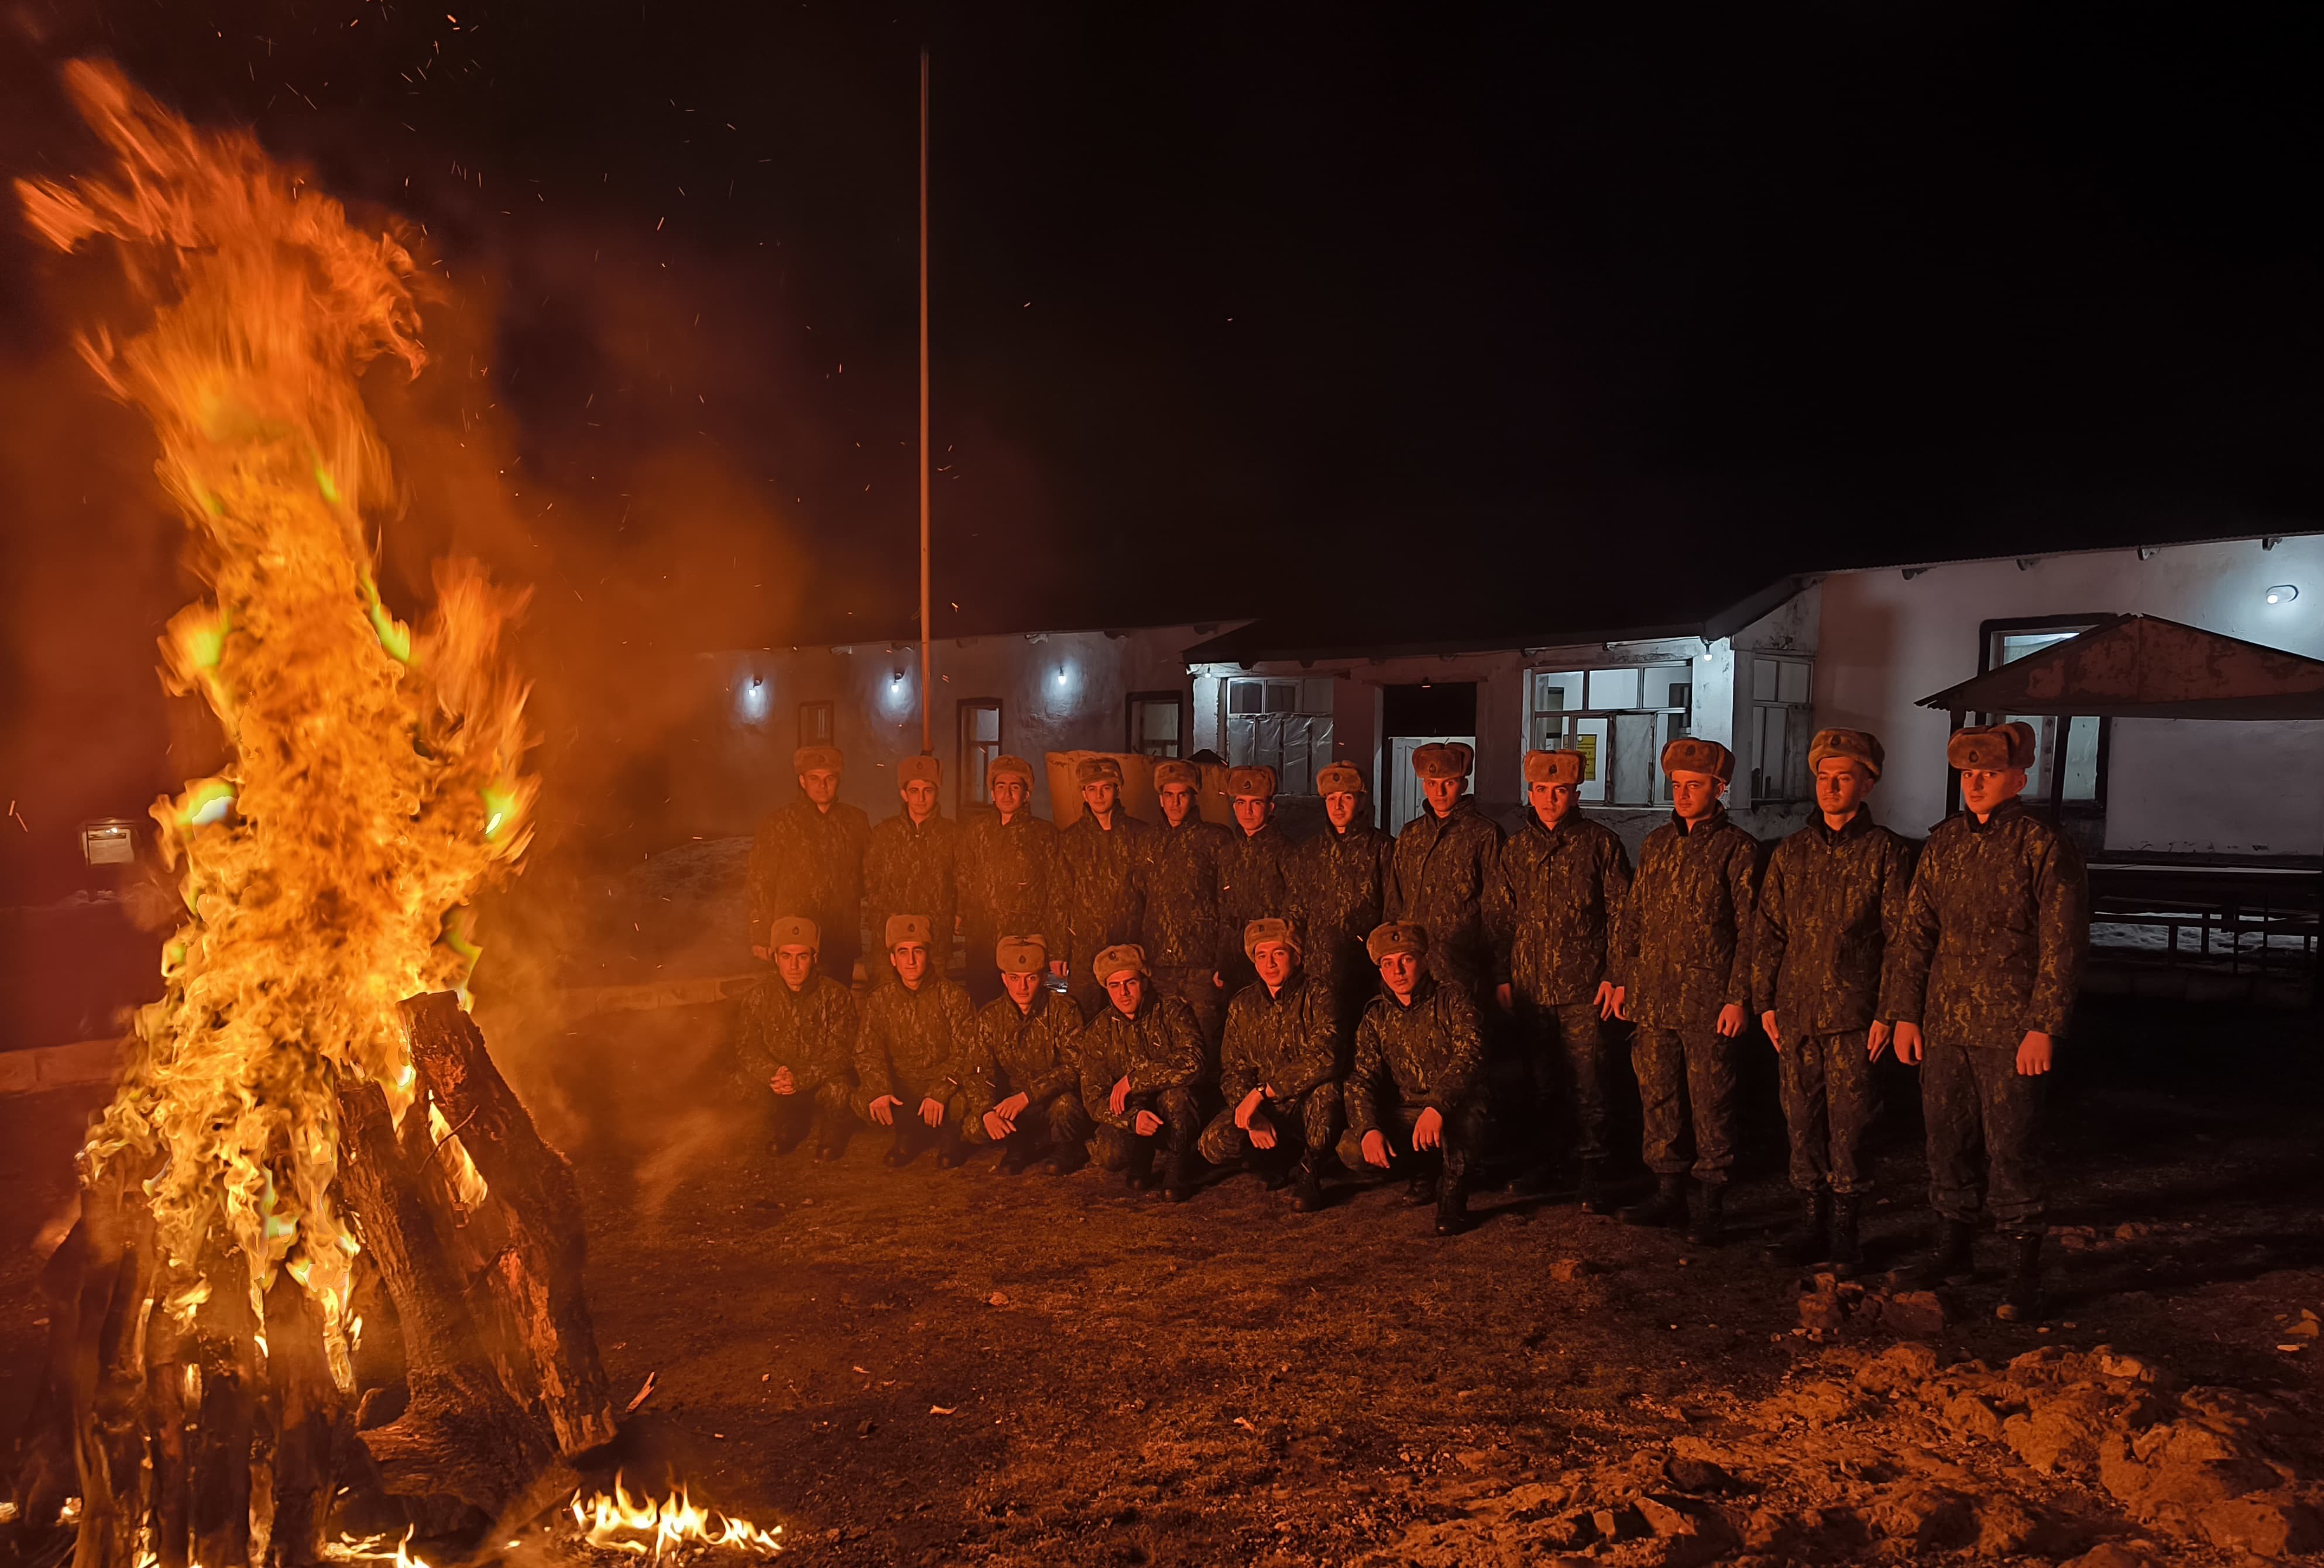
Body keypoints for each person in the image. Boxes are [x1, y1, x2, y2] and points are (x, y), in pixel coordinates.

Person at [1883, 721, 2089, 1322]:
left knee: (2011, 1147)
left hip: (2009, 1027)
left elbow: (2062, 943)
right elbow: (1914, 935)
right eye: (1968, 773)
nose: (1974, 783)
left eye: (1989, 773)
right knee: (1945, 1141)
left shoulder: (2042, 845)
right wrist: (1904, 1013)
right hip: (1945, 1022)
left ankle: (2023, 1268)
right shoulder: (1944, 843)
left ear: (2017, 779)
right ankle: (1953, 1248)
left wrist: (2043, 1025)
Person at [1752, 728, 1916, 1276]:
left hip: (1853, 1017)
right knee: (1800, 1122)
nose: (1830, 787)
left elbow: (1902, 940)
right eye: (1823, 777)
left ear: (1867, 785)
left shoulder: (1886, 853)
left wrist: (1889, 1012)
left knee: (1851, 1125)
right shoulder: (1791, 853)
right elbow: (1769, 931)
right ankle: (1810, 1223)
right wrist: (1765, 1002)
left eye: (1843, 778)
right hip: (1796, 1013)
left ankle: (1846, 1233)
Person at [1611, 738, 1759, 1246]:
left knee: (1711, 1105)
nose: (1683, 794)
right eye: (1676, 785)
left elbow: (1750, 931)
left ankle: (1711, 1206)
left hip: (1707, 1004)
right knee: (1659, 1099)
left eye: (1694, 786)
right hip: (1653, 1000)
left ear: (1720, 788)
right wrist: (1622, 978)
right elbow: (1632, 919)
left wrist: (1738, 997)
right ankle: (1668, 1195)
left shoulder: (1737, 849)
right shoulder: (1656, 844)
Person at [1484, 749, 1633, 1211]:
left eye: (1560, 790)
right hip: (1531, 988)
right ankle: (1546, 1161)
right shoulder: (1515, 850)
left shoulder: (1600, 844)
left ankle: (1591, 1168)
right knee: (1541, 1083)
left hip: (1584, 989)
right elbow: (1500, 919)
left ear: (1575, 794)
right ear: (1530, 794)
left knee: (1589, 1083)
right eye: (1542, 790)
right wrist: (1503, 975)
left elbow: (1623, 917)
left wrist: (1615, 975)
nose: (1550, 799)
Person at [1339, 921, 1489, 1236]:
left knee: (1466, 1121)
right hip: (1410, 1112)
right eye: (1387, 963)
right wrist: (1368, 1128)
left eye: (1406, 959)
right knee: (1352, 1147)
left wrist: (1437, 1106)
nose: (1397, 971)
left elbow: (1470, 1056)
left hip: (1456, 1108)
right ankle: (1423, 1169)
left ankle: (1453, 1190)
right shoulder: (1376, 1015)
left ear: (1423, 960)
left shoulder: (1454, 999)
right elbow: (1360, 1079)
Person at [1197, 919, 1340, 1212]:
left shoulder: (1319, 994)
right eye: (1261, 955)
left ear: (1296, 957)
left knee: (1327, 1094)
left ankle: (1310, 1168)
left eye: (1279, 953)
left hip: (1304, 1101)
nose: (1269, 964)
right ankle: (1276, 1156)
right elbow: (1234, 1069)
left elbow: (1325, 1057)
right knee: (1213, 1143)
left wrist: (1261, 1093)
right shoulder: (1242, 1004)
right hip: (1265, 1107)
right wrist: (1253, 1115)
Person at [1077, 943, 1208, 1202]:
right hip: (1134, 1113)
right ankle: (1142, 1151)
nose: (1123, 993)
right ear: (1107, 989)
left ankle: (1177, 1167)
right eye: (1115, 986)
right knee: (1110, 1155)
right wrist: (1132, 1119)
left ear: (1144, 983)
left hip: (1172, 1109)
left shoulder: (1172, 1010)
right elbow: (1093, 1097)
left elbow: (1195, 1062)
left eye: (1131, 983)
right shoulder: (1099, 1031)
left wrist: (1134, 1080)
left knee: (1178, 1097)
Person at [853, 914, 980, 1168]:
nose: (911, 961)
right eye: (903, 952)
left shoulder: (953, 997)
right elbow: (867, 1051)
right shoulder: (880, 1000)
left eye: (918, 951)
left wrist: (939, 1092)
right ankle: (908, 1134)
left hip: (944, 1084)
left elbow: (968, 1052)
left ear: (928, 955)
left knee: (961, 1102)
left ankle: (951, 1136)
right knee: (863, 1099)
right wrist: (880, 1089)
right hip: (904, 1087)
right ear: (893, 959)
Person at [1384, 742, 1503, 999]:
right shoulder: (1411, 835)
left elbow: (1496, 912)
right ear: (1424, 786)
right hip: (1412, 970)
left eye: (1449, 783)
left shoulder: (1485, 834)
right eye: (1432, 783)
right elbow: (1395, 902)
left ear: (1463, 784)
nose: (1439, 792)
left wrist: (1499, 975)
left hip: (1462, 970)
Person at [964, 935, 1091, 1174]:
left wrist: (1029, 1095)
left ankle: (1067, 1149)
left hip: (1051, 1101)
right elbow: (977, 1072)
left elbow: (1075, 1067)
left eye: (1030, 978)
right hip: (1013, 1106)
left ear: (1043, 978)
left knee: (1066, 1106)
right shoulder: (991, 1017)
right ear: (1004, 979)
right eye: (1014, 978)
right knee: (973, 1126)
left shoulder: (1063, 1009)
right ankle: (1019, 1145)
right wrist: (986, 1111)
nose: (1022, 987)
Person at [734, 915, 857, 1161]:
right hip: (779, 1080)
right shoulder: (759, 996)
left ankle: (833, 1131)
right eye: (786, 956)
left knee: (840, 1089)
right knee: (738, 1083)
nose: (794, 966)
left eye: (802, 957)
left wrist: (801, 1079)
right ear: (776, 958)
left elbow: (843, 1052)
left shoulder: (836, 995)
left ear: (814, 958)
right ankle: (789, 1123)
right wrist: (772, 1073)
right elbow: (747, 1046)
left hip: (818, 1080)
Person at [748, 744, 871, 986]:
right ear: (802, 781)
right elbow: (760, 882)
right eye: (814, 778)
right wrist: (761, 935)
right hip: (794, 941)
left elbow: (870, 876)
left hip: (839, 939)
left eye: (829, 778)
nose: (822, 785)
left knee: (837, 1000)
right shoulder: (780, 824)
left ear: (838, 781)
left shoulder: (855, 821)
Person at [1132, 759, 1233, 1047]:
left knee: (1205, 1039)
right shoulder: (1148, 840)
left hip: (1201, 964)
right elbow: (1139, 897)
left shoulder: (1216, 839)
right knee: (1164, 1041)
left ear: (1194, 797)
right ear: (1160, 799)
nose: (1175, 803)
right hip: (1159, 964)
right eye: (1169, 795)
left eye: (1182, 795)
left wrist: (1222, 960)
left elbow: (1228, 903)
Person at [1291, 761, 1394, 1042]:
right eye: (1331, 799)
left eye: (1346, 798)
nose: (1337, 806)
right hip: (1316, 975)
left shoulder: (1382, 849)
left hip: (1364, 973)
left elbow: (1393, 912)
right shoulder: (1310, 852)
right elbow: (1295, 910)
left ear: (1361, 801)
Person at [1051, 757, 1156, 1018]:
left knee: (1132, 1015)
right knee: (1083, 1016)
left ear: (1118, 790)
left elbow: (1153, 895)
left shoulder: (1140, 835)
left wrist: (1150, 946)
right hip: (1086, 949)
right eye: (1092, 789)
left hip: (1130, 946)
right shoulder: (1071, 839)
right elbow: (1060, 897)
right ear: (1083, 794)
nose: (1099, 796)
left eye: (1106, 788)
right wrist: (1058, 951)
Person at [957, 755, 1055, 1007]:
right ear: (992, 793)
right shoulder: (977, 831)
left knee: (1025, 1007)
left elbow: (1058, 891)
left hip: (1024, 941)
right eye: (1000, 787)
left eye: (1015, 787)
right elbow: (964, 878)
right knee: (983, 1004)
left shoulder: (1044, 835)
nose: (1007, 794)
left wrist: (1055, 944)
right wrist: (962, 915)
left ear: (1027, 794)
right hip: (982, 942)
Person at [863, 754, 960, 984]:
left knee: (933, 997)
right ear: (904, 794)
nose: (921, 798)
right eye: (914, 791)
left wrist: (954, 917)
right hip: (891, 942)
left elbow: (962, 881)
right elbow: (870, 881)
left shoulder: (953, 835)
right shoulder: (884, 834)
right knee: (888, 996)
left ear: (937, 793)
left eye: (928, 791)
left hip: (934, 941)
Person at [1217, 765, 1293, 996]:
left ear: (1270, 808)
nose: (1247, 811)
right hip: (1233, 963)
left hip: (1270, 964)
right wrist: (1220, 963)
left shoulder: (1287, 853)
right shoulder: (1228, 852)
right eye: (1241, 802)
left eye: (1256, 803)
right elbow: (1221, 910)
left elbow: (1295, 914)